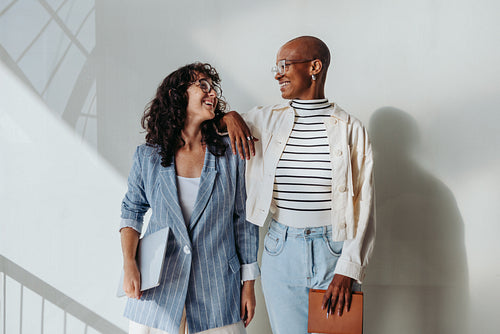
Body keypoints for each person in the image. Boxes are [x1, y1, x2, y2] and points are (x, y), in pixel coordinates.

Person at [222, 36, 376, 334]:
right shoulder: (264, 120)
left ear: (314, 67)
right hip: (282, 250)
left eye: (284, 65)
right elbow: (211, 127)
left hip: (334, 250)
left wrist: (348, 269)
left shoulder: (351, 129)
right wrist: (229, 116)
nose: (278, 74)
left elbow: (365, 204)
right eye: (275, 68)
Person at [119, 62, 260, 334]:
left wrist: (249, 284)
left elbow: (244, 220)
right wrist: (129, 264)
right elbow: (131, 212)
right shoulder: (147, 156)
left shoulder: (232, 153)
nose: (213, 94)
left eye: (213, 88)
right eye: (203, 86)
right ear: (177, 95)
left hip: (217, 288)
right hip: (157, 288)